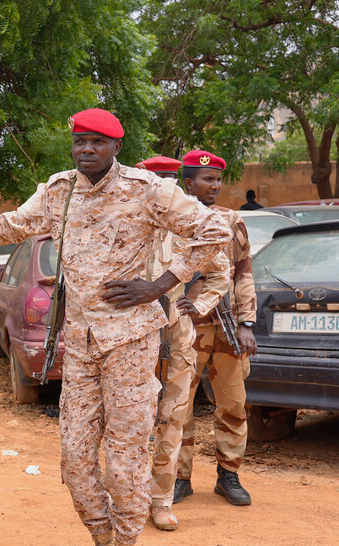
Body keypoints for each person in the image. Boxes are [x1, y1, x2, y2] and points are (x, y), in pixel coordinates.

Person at [0, 109, 232, 546]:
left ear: (116, 147)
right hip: (79, 343)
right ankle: (104, 537)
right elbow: (13, 223)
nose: (87, 149)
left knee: (125, 462)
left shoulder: (147, 190)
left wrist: (158, 285)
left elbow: (215, 229)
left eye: (98, 142)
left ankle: (124, 540)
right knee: (75, 462)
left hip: (130, 341)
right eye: (80, 141)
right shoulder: (59, 191)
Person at [138, 156, 231, 532]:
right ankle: (127, 496)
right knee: (128, 421)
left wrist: (198, 306)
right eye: (156, 181)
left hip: (177, 335)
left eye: (167, 183)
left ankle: (160, 500)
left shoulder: (190, 224)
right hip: (133, 335)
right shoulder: (129, 222)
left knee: (173, 417)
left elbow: (220, 273)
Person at [174, 150, 259, 509]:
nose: (215, 186)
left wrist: (247, 323)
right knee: (178, 407)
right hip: (184, 330)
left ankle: (229, 475)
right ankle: (179, 478)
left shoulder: (231, 220)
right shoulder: (170, 220)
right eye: (207, 180)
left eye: (218, 179)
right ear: (188, 183)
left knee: (233, 404)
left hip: (226, 330)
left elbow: (243, 274)